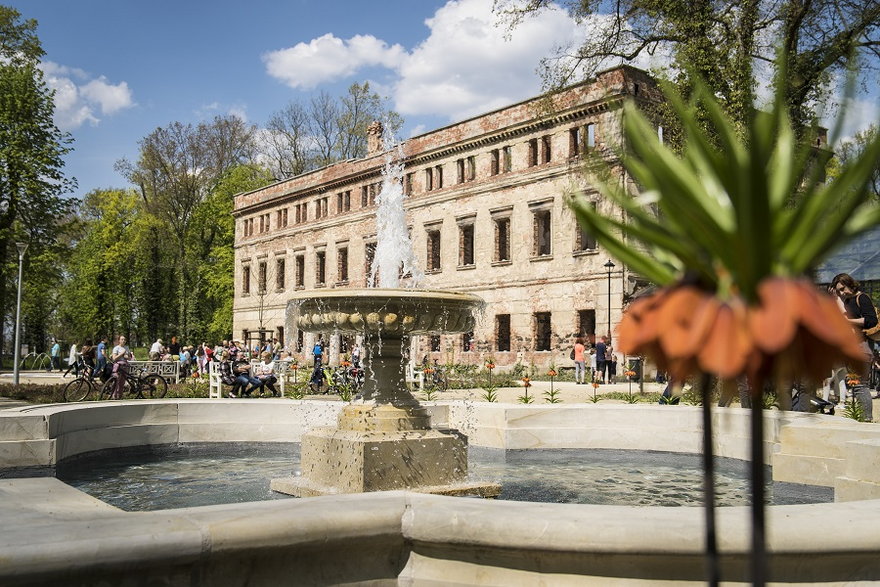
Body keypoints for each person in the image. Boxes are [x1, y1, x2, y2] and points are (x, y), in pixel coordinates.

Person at [831, 273, 877, 418]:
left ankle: (866, 418)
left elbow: (871, 321)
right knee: (855, 385)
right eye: (839, 290)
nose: (842, 292)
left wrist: (849, 321)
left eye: (843, 288)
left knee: (860, 386)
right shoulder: (848, 301)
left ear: (850, 283)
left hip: (862, 348)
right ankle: (862, 417)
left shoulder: (861, 298)